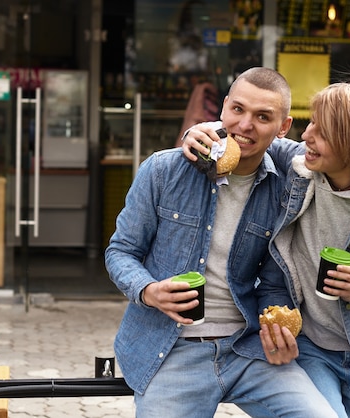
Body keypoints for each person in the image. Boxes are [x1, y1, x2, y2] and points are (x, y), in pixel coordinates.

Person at [183, 77, 350, 418]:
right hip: (311, 347)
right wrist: (199, 132)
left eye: (322, 131)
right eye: (311, 122)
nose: (306, 135)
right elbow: (247, 134)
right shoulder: (302, 167)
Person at [105, 67, 337, 417]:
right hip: (171, 350)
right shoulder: (163, 170)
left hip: (248, 347)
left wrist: (278, 331)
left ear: (284, 127)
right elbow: (120, 252)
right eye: (238, 110)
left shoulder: (287, 183)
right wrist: (148, 291)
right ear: (224, 107)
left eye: (263, 117)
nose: (245, 126)